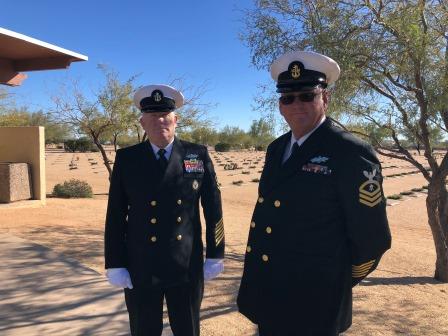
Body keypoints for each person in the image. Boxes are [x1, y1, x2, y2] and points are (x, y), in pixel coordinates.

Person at [237, 50, 392, 336]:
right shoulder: (276, 148)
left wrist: (335, 281)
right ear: (280, 105)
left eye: (307, 95)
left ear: (326, 98)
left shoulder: (350, 152)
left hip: (316, 303)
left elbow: (372, 238)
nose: (297, 104)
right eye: (288, 98)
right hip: (269, 293)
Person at [104, 84, 225, 336]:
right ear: (142, 122)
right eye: (152, 116)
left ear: (176, 119)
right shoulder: (128, 158)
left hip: (185, 262)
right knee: (144, 328)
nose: (160, 121)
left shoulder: (196, 154)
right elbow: (115, 214)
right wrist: (115, 262)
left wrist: (215, 253)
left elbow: (213, 207)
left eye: (165, 115)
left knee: (187, 328)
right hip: (140, 262)